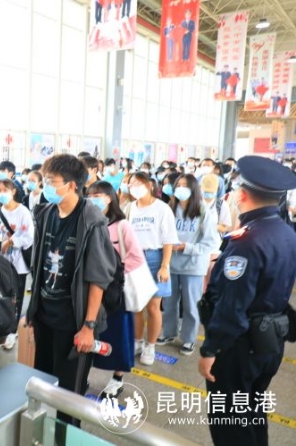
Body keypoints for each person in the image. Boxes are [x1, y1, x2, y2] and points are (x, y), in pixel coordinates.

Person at [198, 156, 296, 446]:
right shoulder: (286, 233)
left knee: (229, 423)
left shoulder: (246, 241)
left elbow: (232, 306)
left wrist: (210, 349)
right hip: (270, 342)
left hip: (238, 347)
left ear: (241, 194)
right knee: (252, 410)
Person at [26, 154, 117, 427]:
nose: (46, 187)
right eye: (45, 181)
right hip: (45, 317)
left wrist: (89, 326)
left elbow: (98, 279)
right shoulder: (45, 214)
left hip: (73, 322)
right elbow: (39, 266)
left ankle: (66, 437)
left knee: (69, 398)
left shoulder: (91, 221)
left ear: (72, 185)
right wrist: (33, 310)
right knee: (44, 386)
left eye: (52, 181)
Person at [88, 181, 143, 398]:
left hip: (115, 292)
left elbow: (136, 257)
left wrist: (114, 274)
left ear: (109, 198)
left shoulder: (121, 226)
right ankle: (83, 373)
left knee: (119, 335)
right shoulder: (87, 221)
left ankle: (117, 378)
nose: (93, 199)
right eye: (90, 195)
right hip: (91, 289)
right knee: (91, 333)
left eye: (98, 195)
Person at [159, 174, 219, 355]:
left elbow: (210, 242)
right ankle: (168, 332)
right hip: (171, 264)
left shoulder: (203, 211)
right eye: (178, 185)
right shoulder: (170, 208)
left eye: (185, 185)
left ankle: (189, 339)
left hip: (193, 266)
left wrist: (187, 247)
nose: (181, 188)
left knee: (191, 305)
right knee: (169, 302)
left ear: (193, 188)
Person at [126, 172, 179, 365]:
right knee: (136, 306)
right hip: (134, 258)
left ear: (149, 185)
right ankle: (138, 341)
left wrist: (165, 266)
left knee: (153, 307)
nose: (134, 187)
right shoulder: (129, 208)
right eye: (131, 184)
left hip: (155, 257)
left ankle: (150, 345)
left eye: (138, 183)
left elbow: (168, 241)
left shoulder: (162, 208)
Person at [0, 179, 34, 350]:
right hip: (2, 262)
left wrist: (10, 242)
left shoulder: (23, 211)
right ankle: (2, 327)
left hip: (19, 263)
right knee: (2, 295)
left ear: (13, 191)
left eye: (5, 189)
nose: (1, 193)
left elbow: (29, 236)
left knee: (16, 298)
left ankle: (12, 331)